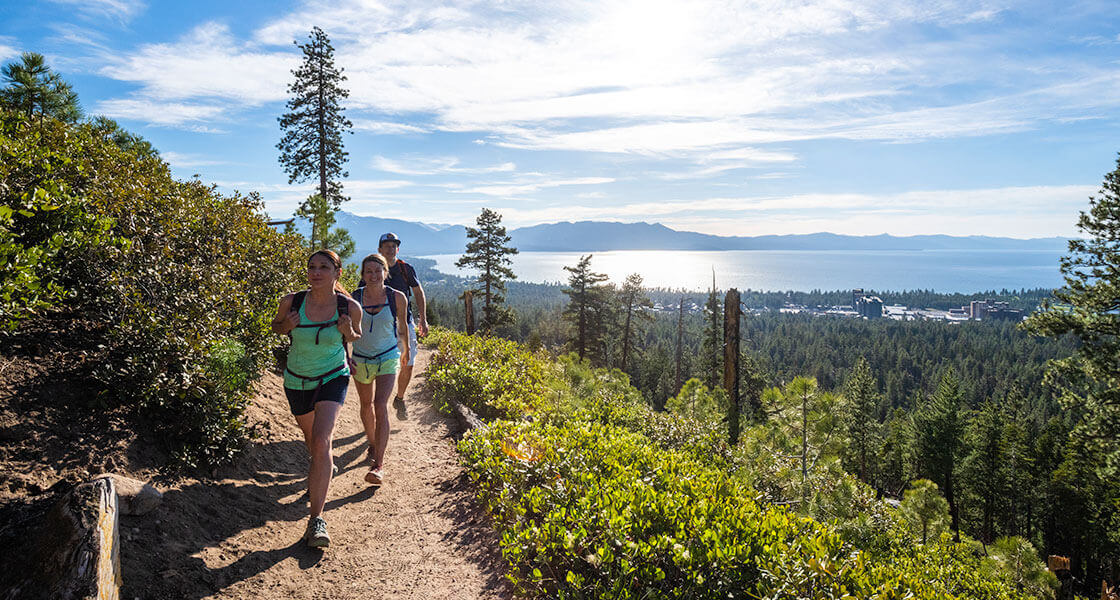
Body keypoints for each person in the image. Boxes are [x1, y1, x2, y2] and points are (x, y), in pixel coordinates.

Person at [271, 249, 362, 548]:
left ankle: (316, 521)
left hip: (333, 376)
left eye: (324, 267)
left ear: (337, 273)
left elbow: (355, 335)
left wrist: (348, 330)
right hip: (297, 380)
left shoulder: (348, 306)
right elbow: (276, 327)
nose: (316, 272)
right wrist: (288, 326)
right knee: (312, 441)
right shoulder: (292, 301)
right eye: (312, 267)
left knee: (322, 439)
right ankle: (321, 468)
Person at [350, 253, 409, 486]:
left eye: (378, 271)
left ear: (386, 272)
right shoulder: (354, 298)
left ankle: (378, 465)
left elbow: (402, 328)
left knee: (379, 404)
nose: (373, 275)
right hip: (361, 359)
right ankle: (373, 443)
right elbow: (345, 331)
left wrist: (405, 353)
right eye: (368, 272)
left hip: (387, 356)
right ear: (363, 275)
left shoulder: (398, 297)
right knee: (366, 406)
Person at [378, 233, 428, 420]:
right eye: (387, 246)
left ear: (397, 249)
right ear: (380, 250)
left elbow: (417, 291)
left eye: (394, 246)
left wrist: (422, 318)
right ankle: (380, 403)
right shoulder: (374, 269)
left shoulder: (405, 269)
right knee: (382, 366)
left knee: (408, 364)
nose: (391, 249)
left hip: (404, 323)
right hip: (380, 326)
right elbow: (360, 295)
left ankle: (399, 398)